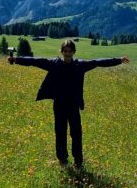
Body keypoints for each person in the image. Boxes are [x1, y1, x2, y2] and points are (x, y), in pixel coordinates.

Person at [9, 39, 129, 168]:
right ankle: (63, 160)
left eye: (70, 51)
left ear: (74, 52)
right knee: (60, 133)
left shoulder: (80, 65)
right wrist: (17, 59)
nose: (67, 53)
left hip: (73, 105)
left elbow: (98, 62)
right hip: (59, 105)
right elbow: (35, 61)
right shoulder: (54, 64)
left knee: (76, 134)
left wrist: (118, 60)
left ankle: (78, 161)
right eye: (65, 51)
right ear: (61, 51)